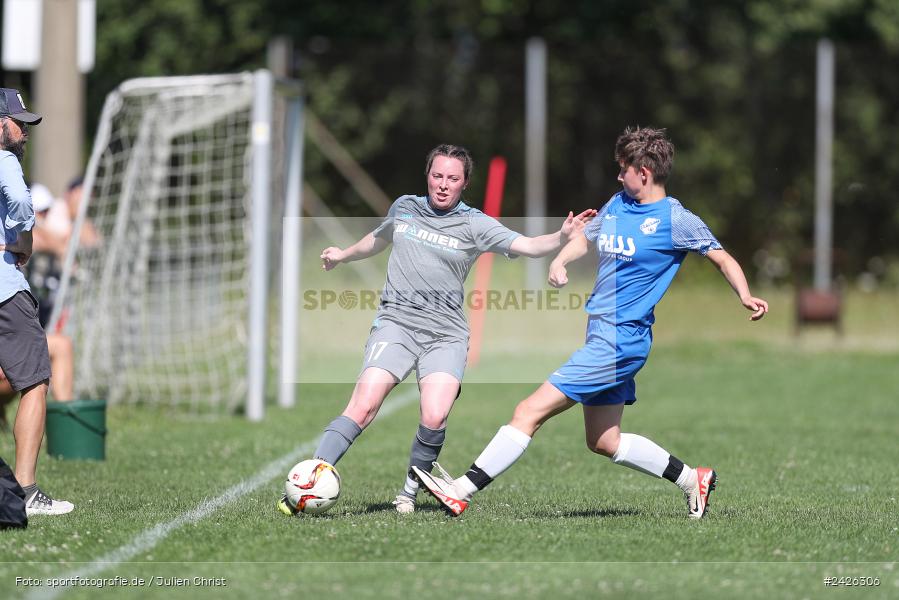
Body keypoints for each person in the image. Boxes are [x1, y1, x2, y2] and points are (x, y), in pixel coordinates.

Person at [414, 127, 769, 519]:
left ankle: (461, 490)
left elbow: (721, 257)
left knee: (528, 410)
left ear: (644, 173)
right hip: (602, 333)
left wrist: (745, 294)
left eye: (624, 170)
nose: (619, 177)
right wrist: (561, 260)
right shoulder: (619, 204)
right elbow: (588, 238)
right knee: (604, 441)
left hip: (620, 343)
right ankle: (691, 479)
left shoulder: (675, 219)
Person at [279, 143, 596, 515]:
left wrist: (561, 237)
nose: (443, 184)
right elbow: (379, 238)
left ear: (464, 184)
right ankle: (310, 481)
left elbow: (527, 244)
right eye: (437, 175)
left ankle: (409, 493)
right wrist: (343, 254)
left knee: (434, 416)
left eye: (453, 179)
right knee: (363, 406)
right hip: (396, 324)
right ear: (427, 175)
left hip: (446, 335)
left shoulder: (475, 224)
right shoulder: (405, 207)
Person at [0, 87, 74, 515]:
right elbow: (23, 203)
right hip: (5, 289)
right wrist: (24, 237)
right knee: (33, 383)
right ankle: (25, 492)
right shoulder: (4, 159)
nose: (24, 134)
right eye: (18, 124)